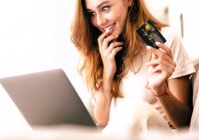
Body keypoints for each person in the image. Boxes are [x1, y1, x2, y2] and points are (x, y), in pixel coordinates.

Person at [70, 0, 195, 133]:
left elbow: (184, 124)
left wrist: (160, 90)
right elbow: (102, 120)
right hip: (116, 134)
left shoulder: (163, 38)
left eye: (105, 8)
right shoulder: (102, 49)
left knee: (136, 111)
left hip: (156, 134)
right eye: (92, 13)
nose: (99, 22)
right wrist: (107, 74)